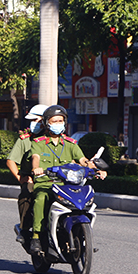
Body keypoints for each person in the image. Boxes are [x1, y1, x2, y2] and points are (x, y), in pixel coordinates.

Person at [29, 105, 106, 254]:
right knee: (40, 199)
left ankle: (82, 236)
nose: (58, 123)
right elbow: (35, 158)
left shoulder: (70, 144)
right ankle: (36, 236)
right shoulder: (38, 143)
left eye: (60, 121)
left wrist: (95, 169)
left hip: (66, 184)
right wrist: (36, 168)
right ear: (46, 123)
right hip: (45, 183)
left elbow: (83, 160)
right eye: (54, 121)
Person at [6, 104, 47, 243]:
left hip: (54, 180)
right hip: (32, 179)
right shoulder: (25, 139)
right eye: (32, 120)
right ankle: (24, 229)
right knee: (27, 195)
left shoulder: (58, 139)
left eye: (36, 120)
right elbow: (11, 161)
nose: (33, 123)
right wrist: (20, 178)